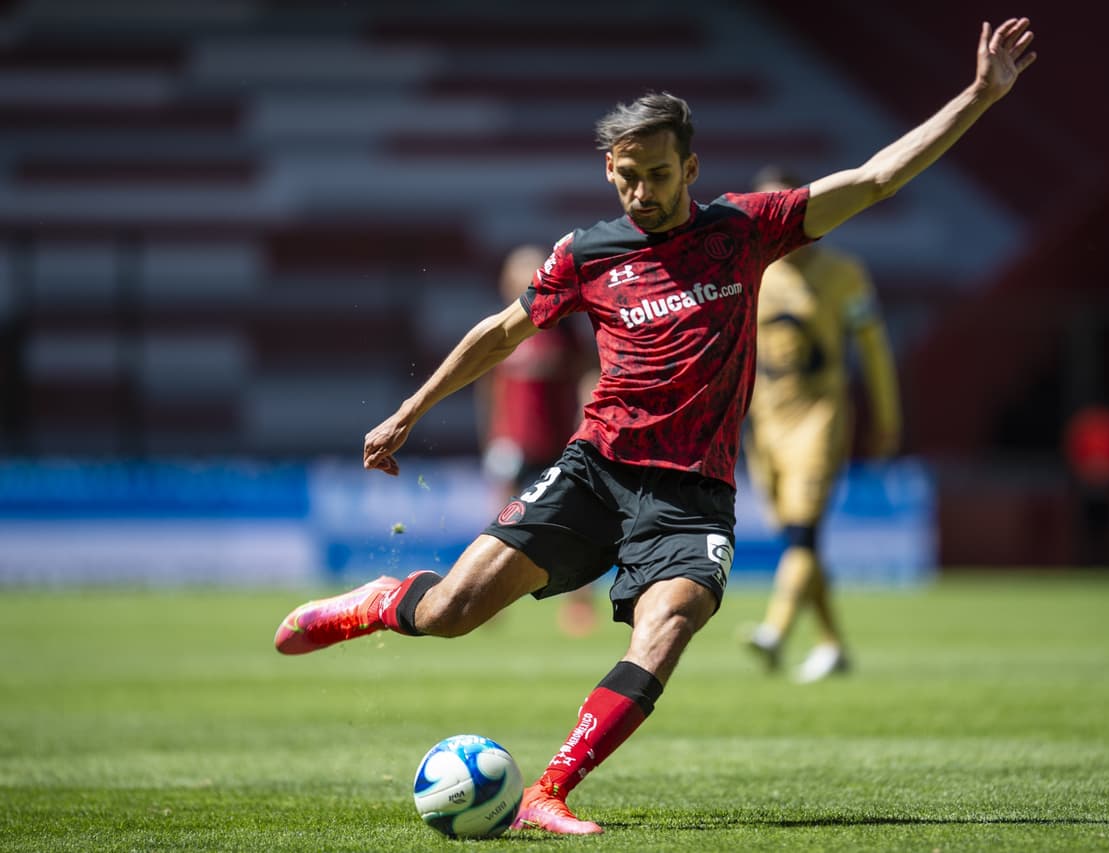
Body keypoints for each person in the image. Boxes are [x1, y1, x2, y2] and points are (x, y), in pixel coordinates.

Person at [274, 18, 1035, 836]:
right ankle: (379, 603)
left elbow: (878, 176)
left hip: (693, 495)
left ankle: (548, 791)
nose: (644, 192)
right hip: (595, 468)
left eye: (661, 175)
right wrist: (409, 411)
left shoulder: (744, 230)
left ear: (692, 168)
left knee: (667, 624)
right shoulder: (585, 254)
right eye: (629, 176)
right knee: (454, 611)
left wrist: (981, 96)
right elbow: (502, 333)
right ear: (609, 168)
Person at [741, 165, 902, 683]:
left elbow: (874, 349)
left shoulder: (844, 274)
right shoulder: (752, 273)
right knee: (796, 538)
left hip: (820, 417)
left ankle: (775, 631)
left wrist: (887, 415)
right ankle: (832, 644)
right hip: (763, 425)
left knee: (802, 536)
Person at [478, 244, 599, 635]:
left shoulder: (566, 332)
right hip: (513, 444)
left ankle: (579, 607)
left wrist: (587, 429)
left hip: (560, 442)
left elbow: (588, 378)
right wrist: (492, 438)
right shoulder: (501, 330)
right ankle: (487, 603)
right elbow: (488, 389)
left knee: (574, 526)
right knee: (501, 529)